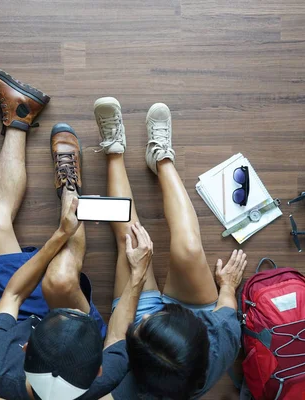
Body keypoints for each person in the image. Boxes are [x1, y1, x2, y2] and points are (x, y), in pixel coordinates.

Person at [0, 63, 153, 400]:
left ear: (24, 350)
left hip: (17, 318)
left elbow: (14, 296)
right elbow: (118, 336)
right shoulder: (105, 383)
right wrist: (137, 276)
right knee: (61, 279)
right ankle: (70, 190)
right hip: (58, 343)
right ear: (99, 370)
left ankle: (20, 114)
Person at [93, 97, 247, 400]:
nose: (151, 315)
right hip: (184, 327)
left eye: (146, 323)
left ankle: (113, 151)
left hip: (137, 330)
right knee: (189, 249)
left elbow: (115, 335)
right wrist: (227, 286)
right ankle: (161, 158)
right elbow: (226, 309)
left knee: (128, 238)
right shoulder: (221, 344)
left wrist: (137, 276)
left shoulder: (118, 383)